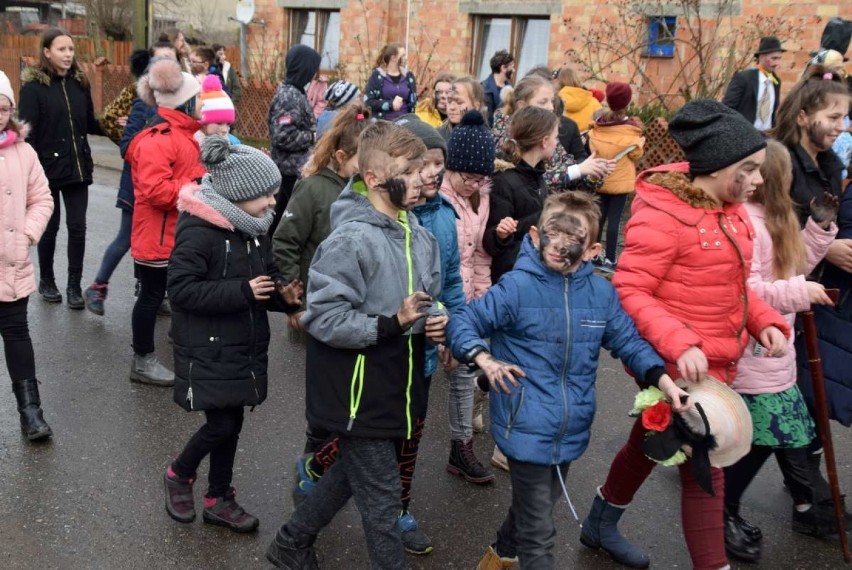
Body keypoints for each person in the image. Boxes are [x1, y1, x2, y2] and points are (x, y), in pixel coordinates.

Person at [579, 100, 789, 570]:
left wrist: (765, 321)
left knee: (651, 442)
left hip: (714, 361)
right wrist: (679, 343)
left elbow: (731, 288)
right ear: (716, 167)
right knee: (704, 464)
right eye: (750, 169)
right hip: (675, 361)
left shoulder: (730, 210)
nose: (758, 180)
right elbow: (631, 289)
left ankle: (599, 520)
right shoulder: (664, 213)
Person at [449, 191, 687, 569]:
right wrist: (485, 359)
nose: (560, 245)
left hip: (571, 427)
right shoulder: (517, 288)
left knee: (536, 507)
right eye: (552, 233)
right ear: (534, 235)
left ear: (592, 250)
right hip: (523, 422)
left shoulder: (600, 294)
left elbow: (627, 340)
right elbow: (464, 321)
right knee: (540, 535)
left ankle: (497, 560)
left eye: (572, 239)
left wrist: (663, 379)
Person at [265, 121, 445, 569]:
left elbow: (429, 296)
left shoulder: (418, 235)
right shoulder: (350, 239)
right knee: (383, 504)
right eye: (413, 169)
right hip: (356, 392)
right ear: (377, 179)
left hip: (399, 388)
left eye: (424, 167)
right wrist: (393, 322)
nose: (425, 177)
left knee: (349, 473)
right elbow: (322, 317)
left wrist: (438, 320)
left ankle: (291, 542)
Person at [163, 136, 302, 533]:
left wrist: (284, 296)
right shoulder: (199, 231)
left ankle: (218, 497)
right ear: (239, 194)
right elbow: (182, 290)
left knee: (232, 423)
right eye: (267, 196)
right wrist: (243, 291)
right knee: (222, 424)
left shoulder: (252, 228)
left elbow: (266, 276)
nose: (273, 203)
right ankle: (179, 473)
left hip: (240, 342)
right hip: (207, 346)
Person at [723, 140, 839, 563]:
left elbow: (796, 268)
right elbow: (746, 291)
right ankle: (722, 508)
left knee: (782, 434)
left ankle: (805, 507)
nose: (793, 178)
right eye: (787, 172)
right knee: (759, 439)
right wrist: (798, 291)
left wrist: (818, 230)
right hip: (754, 350)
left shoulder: (779, 218)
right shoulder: (747, 224)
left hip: (777, 350)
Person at [773, 66, 852, 520]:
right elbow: (774, 229)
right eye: (834, 117)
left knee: (808, 392)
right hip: (783, 286)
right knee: (782, 394)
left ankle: (807, 483)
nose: (841, 127)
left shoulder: (832, 163)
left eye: (845, 119)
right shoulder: (779, 160)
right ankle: (805, 491)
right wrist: (825, 243)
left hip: (817, 290)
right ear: (804, 116)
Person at [125, 57, 205, 387]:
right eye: (198, 97)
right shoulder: (159, 138)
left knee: (181, 293)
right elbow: (155, 190)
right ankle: (142, 360)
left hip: (177, 234)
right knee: (151, 297)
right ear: (184, 102)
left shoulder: (185, 135)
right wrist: (199, 190)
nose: (203, 103)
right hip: (157, 238)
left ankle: (183, 343)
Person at [84, 42, 178, 316]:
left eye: (171, 61)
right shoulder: (143, 104)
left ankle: (154, 292)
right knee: (126, 239)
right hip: (137, 187)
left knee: (163, 243)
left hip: (167, 188)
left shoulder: (182, 106)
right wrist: (154, 135)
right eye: (160, 60)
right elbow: (127, 147)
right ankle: (97, 287)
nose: (166, 66)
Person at [18, 28, 103, 309]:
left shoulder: (80, 83)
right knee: (50, 229)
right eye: (61, 49)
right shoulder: (33, 88)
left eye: (70, 49)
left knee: (78, 228)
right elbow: (27, 134)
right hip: (47, 170)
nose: (68, 55)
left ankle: (74, 287)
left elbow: (90, 123)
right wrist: (27, 172)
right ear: (46, 51)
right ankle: (47, 281)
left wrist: (118, 126)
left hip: (78, 167)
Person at [273, 102, 371, 336]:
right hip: (317, 302)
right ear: (340, 156)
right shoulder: (312, 189)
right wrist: (297, 304)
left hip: (353, 300)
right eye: (362, 163)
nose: (369, 170)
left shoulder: (365, 188)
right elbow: (285, 243)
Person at [440, 110, 497, 485]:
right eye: (468, 177)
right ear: (451, 168)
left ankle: (460, 447)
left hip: (466, 304)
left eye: (482, 178)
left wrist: (481, 308)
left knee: (463, 374)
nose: (474, 185)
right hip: (439, 303)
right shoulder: (438, 201)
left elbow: (479, 256)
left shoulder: (481, 198)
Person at [0, 70, 54, 441]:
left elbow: (42, 200)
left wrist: (28, 235)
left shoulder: (23, 152)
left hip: (11, 262)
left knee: (17, 333)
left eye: (2, 108)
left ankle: (30, 412)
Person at [492, 74, 613, 192]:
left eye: (552, 101)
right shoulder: (507, 136)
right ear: (522, 105)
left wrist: (593, 173)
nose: (551, 108)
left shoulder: (545, 132)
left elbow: (569, 171)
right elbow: (526, 181)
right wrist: (577, 170)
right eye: (543, 102)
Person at [485, 106, 559, 284]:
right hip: (511, 277)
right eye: (556, 137)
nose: (557, 143)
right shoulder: (504, 181)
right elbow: (492, 241)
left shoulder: (537, 176)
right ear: (544, 141)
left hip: (532, 271)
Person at [587, 82, 645, 273]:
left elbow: (592, 149)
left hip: (600, 178)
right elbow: (635, 155)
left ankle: (594, 255)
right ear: (628, 102)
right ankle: (611, 259)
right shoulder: (631, 131)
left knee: (599, 218)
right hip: (620, 184)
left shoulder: (598, 126)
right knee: (615, 221)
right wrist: (641, 143)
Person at [267, 45, 321, 226]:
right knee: (283, 220)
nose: (315, 74)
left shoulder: (296, 92)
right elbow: (283, 136)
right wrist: (313, 137)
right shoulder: (289, 97)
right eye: (314, 68)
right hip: (287, 173)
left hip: (293, 171)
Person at [722, 36, 786, 131]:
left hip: (767, 137)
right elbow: (727, 108)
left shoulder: (776, 82)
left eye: (779, 58)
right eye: (774, 58)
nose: (777, 63)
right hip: (745, 135)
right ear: (762, 57)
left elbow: (773, 113)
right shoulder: (744, 78)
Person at [365, 43, 417, 121]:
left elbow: (413, 102)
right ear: (393, 58)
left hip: (405, 124)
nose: (406, 58)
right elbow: (368, 102)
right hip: (383, 125)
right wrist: (390, 104)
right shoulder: (377, 76)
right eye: (403, 55)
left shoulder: (408, 76)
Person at [194, 74, 240, 146]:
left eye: (228, 124)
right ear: (202, 124)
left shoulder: (233, 143)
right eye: (219, 123)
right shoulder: (192, 144)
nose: (225, 130)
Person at [554, 67, 602, 133]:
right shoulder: (594, 102)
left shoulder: (553, 103)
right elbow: (601, 127)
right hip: (587, 140)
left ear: (558, 82)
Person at [438, 76, 486, 140]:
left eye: (459, 103)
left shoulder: (484, 138)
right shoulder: (437, 136)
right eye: (449, 101)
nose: (452, 107)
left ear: (476, 106)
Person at [482, 50, 514, 126]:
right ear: (503, 68)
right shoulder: (485, 89)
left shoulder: (510, 87)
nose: (514, 70)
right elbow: (487, 121)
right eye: (512, 67)